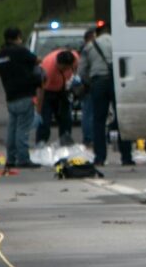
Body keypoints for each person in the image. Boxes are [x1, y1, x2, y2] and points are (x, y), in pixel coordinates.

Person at [78, 23, 133, 166]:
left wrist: (89, 82)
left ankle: (100, 158)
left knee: (99, 121)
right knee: (121, 119)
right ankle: (126, 157)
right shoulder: (119, 43)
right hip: (116, 82)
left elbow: (82, 71)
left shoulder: (90, 46)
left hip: (98, 83)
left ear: (97, 33)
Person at [0, 28, 41, 169]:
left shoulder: (0, 55)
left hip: (10, 96)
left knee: (12, 129)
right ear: (18, 37)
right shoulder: (20, 51)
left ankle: (11, 159)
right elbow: (37, 60)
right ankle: (23, 159)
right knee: (23, 129)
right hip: (25, 94)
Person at [35, 49, 79, 146]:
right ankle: (40, 144)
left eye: (66, 68)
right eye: (62, 68)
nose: (64, 70)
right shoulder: (48, 69)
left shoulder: (74, 58)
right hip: (47, 92)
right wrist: (38, 110)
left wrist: (74, 77)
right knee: (45, 121)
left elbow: (76, 67)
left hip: (62, 90)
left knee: (66, 119)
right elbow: (41, 90)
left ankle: (65, 143)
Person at [75, 29, 97, 147]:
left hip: (89, 84)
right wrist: (88, 82)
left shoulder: (86, 49)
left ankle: (90, 137)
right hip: (89, 85)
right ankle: (89, 138)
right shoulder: (87, 50)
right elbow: (82, 70)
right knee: (89, 113)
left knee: (89, 112)